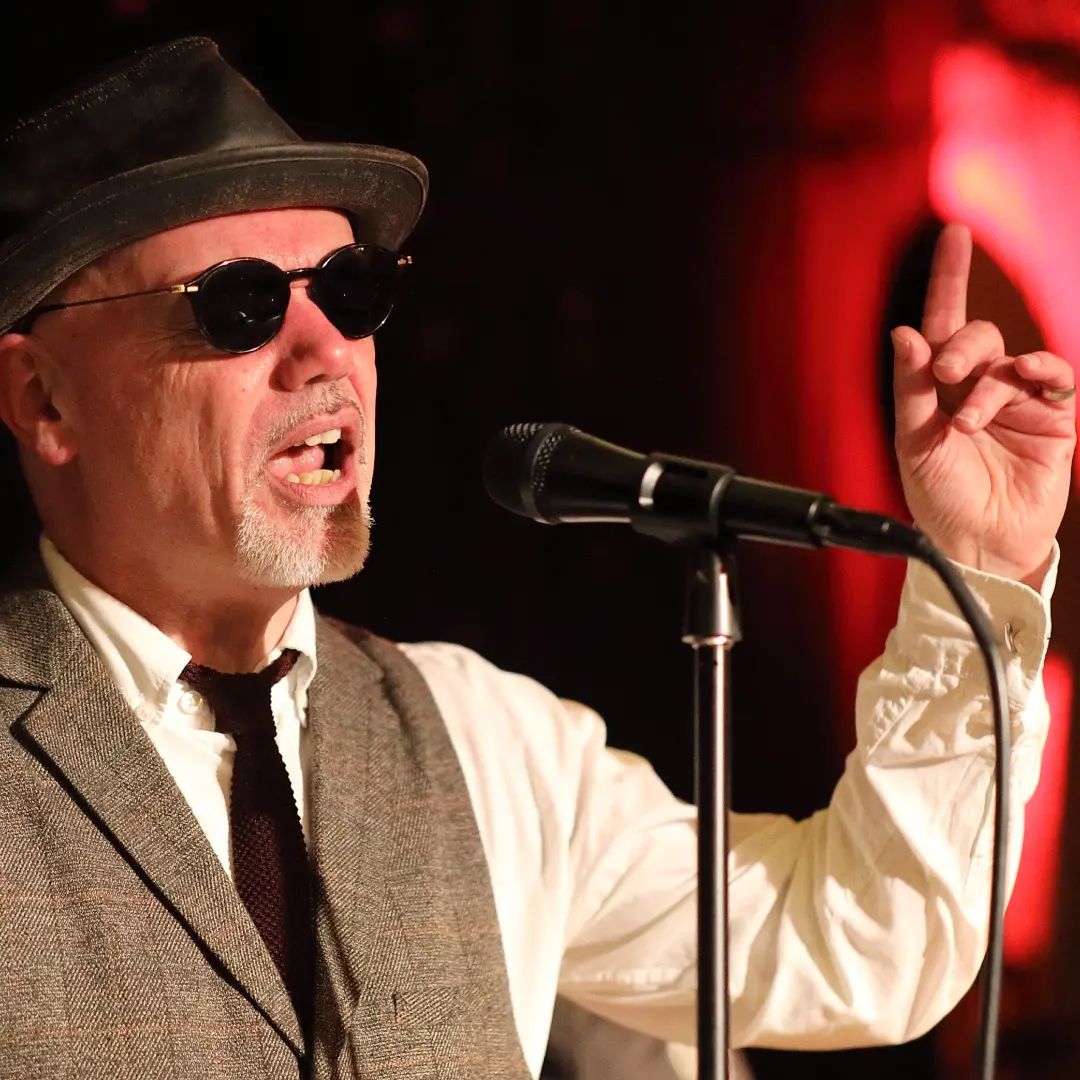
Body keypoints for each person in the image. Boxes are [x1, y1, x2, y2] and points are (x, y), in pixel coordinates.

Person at [0, 36, 1072, 1080]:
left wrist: (975, 563)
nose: (327, 351)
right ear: (45, 399)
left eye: (353, 289)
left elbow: (863, 946)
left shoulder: (484, 740)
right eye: (240, 303)